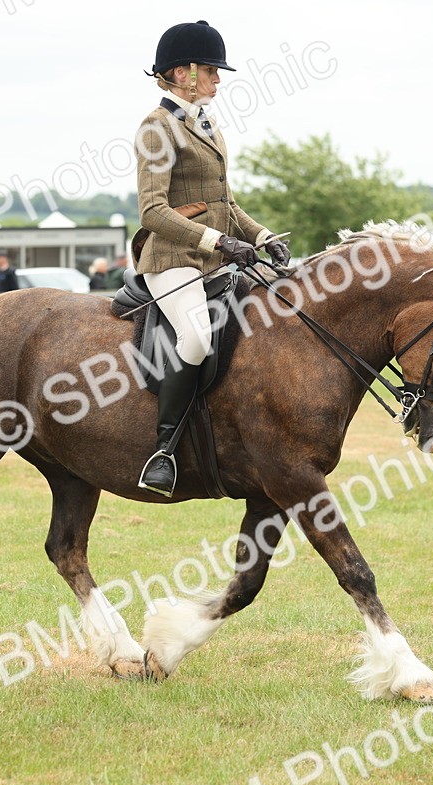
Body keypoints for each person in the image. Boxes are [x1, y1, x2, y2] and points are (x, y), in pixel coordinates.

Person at [133, 20, 290, 496]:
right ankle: (163, 450)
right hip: (172, 261)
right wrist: (219, 243)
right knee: (198, 338)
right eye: (210, 71)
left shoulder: (205, 123)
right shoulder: (156, 129)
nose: (218, 80)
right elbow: (153, 211)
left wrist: (261, 236)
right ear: (181, 74)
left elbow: (225, 204)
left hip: (215, 262)